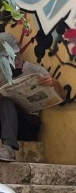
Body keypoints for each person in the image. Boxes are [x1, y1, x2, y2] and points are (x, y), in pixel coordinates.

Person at [0, 28, 64, 162]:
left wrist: (54, 83)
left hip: (27, 125)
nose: (14, 59)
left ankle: (9, 148)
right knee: (5, 100)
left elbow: (62, 98)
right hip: (5, 123)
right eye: (8, 57)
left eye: (15, 55)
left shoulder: (36, 71)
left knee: (7, 101)